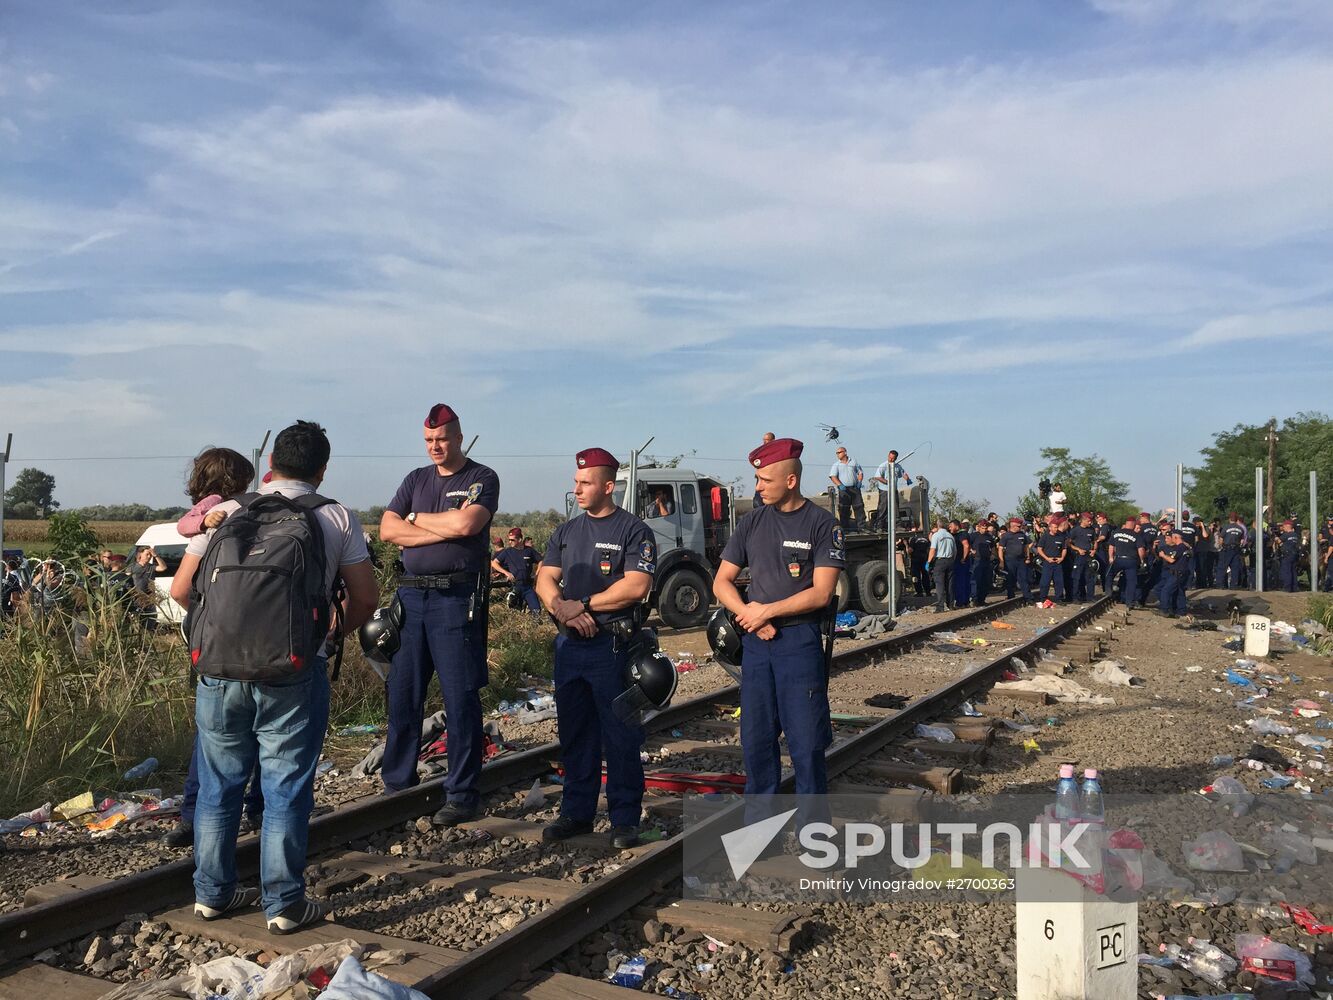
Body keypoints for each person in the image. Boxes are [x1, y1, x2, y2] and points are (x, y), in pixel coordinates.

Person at [170, 421, 377, 934]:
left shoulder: (228, 511)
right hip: (291, 671)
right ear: (322, 469)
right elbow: (366, 599)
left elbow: (180, 590)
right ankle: (283, 905)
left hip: (217, 670)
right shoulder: (336, 516)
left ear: (270, 467)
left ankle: (212, 895)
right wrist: (328, 633)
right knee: (285, 787)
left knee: (219, 786)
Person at [379, 404, 499, 826]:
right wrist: (437, 524)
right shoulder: (415, 479)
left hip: (455, 599)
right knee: (403, 693)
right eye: (429, 441)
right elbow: (387, 529)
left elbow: (468, 526)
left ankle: (462, 793)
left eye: (442, 439)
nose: (435, 447)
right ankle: (397, 784)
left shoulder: (481, 478)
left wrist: (416, 520)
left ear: (459, 437)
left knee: (460, 697)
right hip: (411, 600)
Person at [535, 449, 655, 848]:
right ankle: (576, 813)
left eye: (586, 483)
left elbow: (637, 586)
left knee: (620, 734)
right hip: (571, 647)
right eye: (576, 481)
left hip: (613, 646)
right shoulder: (566, 533)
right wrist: (563, 610)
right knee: (575, 733)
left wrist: (583, 605)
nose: (578, 488)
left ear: (609, 486)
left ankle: (624, 819)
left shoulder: (633, 530)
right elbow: (545, 580)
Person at [714, 437, 843, 797]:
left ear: (790, 480)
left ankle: (813, 832)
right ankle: (760, 827)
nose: (757, 487)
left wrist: (768, 611)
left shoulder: (821, 524)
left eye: (764, 481)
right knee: (756, 741)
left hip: (798, 644)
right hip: (756, 645)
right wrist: (748, 615)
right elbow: (721, 582)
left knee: (806, 744)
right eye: (756, 480)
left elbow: (821, 592)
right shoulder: (751, 523)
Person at [162, 447, 265, 850]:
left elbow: (181, 591)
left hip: (215, 648)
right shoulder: (230, 512)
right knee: (261, 731)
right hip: (261, 643)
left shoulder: (210, 517)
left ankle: (192, 818)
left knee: (211, 736)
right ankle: (259, 809)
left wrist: (211, 618)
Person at [493, 527, 542, 612]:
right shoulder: (507, 552)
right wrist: (506, 573)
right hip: (515, 586)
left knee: (536, 610)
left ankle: (534, 622)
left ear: (520, 539)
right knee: (515, 611)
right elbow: (494, 563)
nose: (510, 542)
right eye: (509, 540)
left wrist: (537, 575)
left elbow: (541, 561)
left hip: (528, 586)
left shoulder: (529, 551)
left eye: (512, 540)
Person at [869, 450, 912, 531]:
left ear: (895, 458)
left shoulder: (897, 466)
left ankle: (897, 525)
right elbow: (877, 476)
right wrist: (886, 482)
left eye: (893, 458)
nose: (890, 459)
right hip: (884, 490)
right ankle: (879, 526)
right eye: (889, 457)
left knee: (895, 507)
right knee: (883, 508)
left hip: (893, 490)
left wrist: (907, 479)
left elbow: (903, 473)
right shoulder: (883, 465)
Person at [1107, 516, 1145, 606]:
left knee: (1109, 574)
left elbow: (1111, 546)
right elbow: (1141, 549)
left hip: (1118, 559)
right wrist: (1142, 560)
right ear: (1133, 524)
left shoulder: (1116, 533)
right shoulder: (1136, 535)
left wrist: (1110, 557)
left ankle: (1108, 590)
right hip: (1131, 561)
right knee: (1131, 582)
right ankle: (1129, 602)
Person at [827, 446, 865, 533]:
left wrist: (859, 481)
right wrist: (840, 485)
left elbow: (860, 472)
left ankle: (862, 528)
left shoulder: (854, 461)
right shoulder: (836, 465)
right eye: (837, 453)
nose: (837, 454)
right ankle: (846, 529)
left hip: (855, 488)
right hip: (844, 490)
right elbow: (833, 476)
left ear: (845, 452)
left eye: (839, 452)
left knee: (859, 508)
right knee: (844, 509)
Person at [1157, 529, 1192, 617]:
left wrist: (1163, 555)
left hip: (1177, 573)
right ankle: (1181, 611)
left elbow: (1172, 560)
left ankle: (1165, 610)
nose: (1171, 539)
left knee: (1165, 591)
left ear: (1176, 537)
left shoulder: (1179, 547)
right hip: (1183, 572)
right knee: (1180, 592)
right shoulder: (1185, 547)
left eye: (1172, 537)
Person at [1034, 515, 1067, 604]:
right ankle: (1043, 597)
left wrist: (1062, 558)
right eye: (1055, 527)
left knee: (1059, 581)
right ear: (1050, 528)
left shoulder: (1061, 537)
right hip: (1048, 562)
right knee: (1045, 581)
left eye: (1057, 527)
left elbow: (1064, 548)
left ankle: (1059, 598)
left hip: (1058, 562)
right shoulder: (1045, 537)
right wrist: (1047, 558)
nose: (1056, 529)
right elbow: (1039, 549)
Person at [997, 517, 1031, 602]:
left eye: (1020, 526)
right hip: (1009, 560)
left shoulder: (1022, 535)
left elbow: (1026, 546)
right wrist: (1001, 561)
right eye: (1018, 526)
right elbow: (1000, 548)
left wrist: (1028, 557)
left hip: (1021, 560)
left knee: (1023, 578)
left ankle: (1028, 597)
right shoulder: (1006, 536)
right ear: (1013, 525)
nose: (1020, 528)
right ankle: (1010, 596)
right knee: (1010, 579)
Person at [927, 518, 957, 612]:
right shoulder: (950, 536)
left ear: (938, 524)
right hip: (950, 561)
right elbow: (954, 551)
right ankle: (951, 605)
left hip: (940, 561)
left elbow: (933, 550)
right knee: (950, 584)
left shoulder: (936, 535)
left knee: (939, 584)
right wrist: (952, 560)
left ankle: (940, 606)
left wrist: (928, 562)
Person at [1215, 512, 1247, 589]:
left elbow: (1221, 539)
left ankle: (1220, 585)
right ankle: (1234, 585)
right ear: (1236, 519)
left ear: (1229, 519)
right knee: (1235, 568)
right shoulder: (1240, 528)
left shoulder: (1226, 527)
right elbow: (1242, 541)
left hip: (1226, 549)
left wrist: (1220, 546)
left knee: (1222, 567)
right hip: (1236, 549)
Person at [968, 519, 994, 607]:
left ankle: (981, 599)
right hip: (977, 560)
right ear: (979, 527)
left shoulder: (989, 537)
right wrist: (971, 550)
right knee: (976, 580)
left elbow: (993, 547)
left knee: (986, 580)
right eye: (982, 528)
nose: (984, 530)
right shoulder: (973, 536)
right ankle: (974, 599)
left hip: (987, 560)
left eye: (985, 528)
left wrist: (994, 556)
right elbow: (966, 544)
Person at [1276, 519, 1302, 592]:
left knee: (1287, 571)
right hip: (1294, 555)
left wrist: (1276, 538)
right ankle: (1294, 587)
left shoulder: (1286, 535)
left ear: (1288, 526)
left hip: (1287, 555)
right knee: (1293, 571)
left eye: (1284, 526)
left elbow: (1278, 541)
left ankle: (1287, 588)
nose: (1283, 528)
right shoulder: (1295, 535)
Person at [752, 432, 775, 508]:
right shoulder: (761, 451)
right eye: (763, 440)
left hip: (771, 478)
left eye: (767, 440)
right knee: (757, 502)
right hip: (761, 478)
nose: (764, 442)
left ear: (773, 440)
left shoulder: (776, 452)